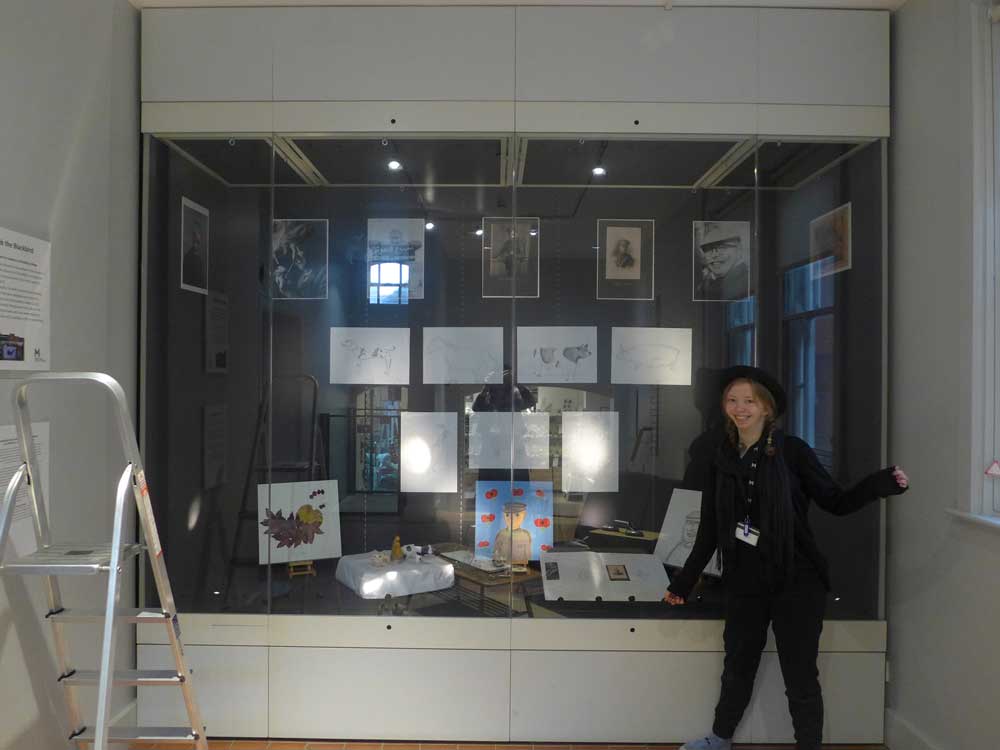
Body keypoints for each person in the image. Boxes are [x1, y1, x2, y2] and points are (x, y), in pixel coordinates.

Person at [664, 365, 909, 750]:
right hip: (745, 583)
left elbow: (836, 501)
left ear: (767, 408)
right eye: (732, 400)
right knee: (736, 668)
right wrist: (683, 581)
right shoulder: (719, 456)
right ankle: (719, 738)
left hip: (797, 582)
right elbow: (710, 529)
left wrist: (879, 484)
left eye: (750, 401)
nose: (740, 408)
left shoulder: (793, 452)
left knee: (800, 676)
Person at [695, 223, 749, 301]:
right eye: (708, 249)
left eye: (722, 247)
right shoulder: (707, 286)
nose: (714, 255)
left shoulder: (746, 282)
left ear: (739, 249)